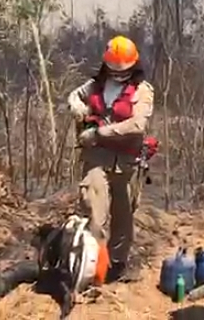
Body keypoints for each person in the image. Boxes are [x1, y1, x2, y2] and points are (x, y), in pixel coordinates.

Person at [67, 35, 155, 284]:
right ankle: (95, 269)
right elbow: (75, 96)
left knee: (123, 216)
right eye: (113, 69)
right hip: (97, 158)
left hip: (126, 163)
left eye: (122, 70)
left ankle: (117, 265)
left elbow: (137, 125)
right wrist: (77, 107)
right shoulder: (96, 84)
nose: (117, 74)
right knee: (95, 212)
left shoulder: (142, 90)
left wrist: (99, 132)